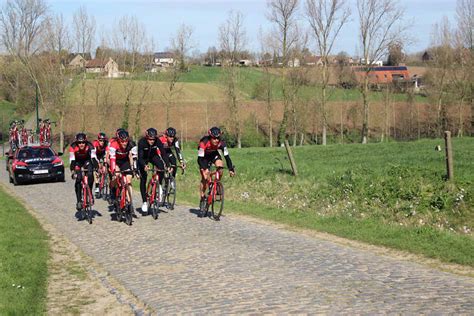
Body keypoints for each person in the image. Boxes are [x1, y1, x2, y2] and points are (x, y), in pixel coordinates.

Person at [197, 127, 235, 208]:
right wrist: (204, 169)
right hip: (203, 157)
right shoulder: (203, 142)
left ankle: (216, 185)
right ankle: (202, 196)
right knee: (205, 177)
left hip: (214, 154)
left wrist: (231, 169)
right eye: (214, 138)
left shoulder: (222, 143)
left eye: (218, 138)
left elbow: (227, 157)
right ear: (210, 137)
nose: (216, 140)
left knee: (220, 167)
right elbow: (199, 159)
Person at [138, 128, 170, 213]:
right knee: (143, 179)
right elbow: (140, 158)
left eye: (153, 139)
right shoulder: (141, 142)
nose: (152, 141)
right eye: (150, 139)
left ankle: (158, 184)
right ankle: (145, 202)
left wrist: (168, 165)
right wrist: (144, 165)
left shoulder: (157, 141)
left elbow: (163, 153)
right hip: (143, 159)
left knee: (161, 168)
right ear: (146, 137)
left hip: (153, 156)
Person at [108, 129, 137, 204]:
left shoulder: (132, 144)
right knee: (116, 175)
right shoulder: (113, 144)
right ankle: (113, 192)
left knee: (129, 179)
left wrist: (135, 169)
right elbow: (112, 159)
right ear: (118, 140)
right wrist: (113, 170)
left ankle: (130, 202)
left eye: (126, 141)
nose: (124, 143)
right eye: (122, 141)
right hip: (116, 161)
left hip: (125, 161)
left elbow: (134, 158)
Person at [69, 133, 97, 211]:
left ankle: (90, 192)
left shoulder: (90, 145)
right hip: (77, 162)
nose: (81, 144)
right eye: (79, 143)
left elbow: (94, 158)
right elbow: (72, 160)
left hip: (87, 161)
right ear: (77, 143)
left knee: (90, 174)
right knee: (78, 179)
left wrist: (97, 168)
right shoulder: (73, 147)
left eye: (83, 142)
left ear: (86, 142)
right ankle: (78, 200)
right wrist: (72, 171)